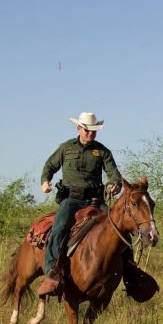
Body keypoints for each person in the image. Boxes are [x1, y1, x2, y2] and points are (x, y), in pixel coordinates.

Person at [36, 112, 123, 297]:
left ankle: (131, 273)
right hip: (72, 200)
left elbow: (113, 173)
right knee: (59, 228)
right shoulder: (66, 148)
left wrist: (116, 185)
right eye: (87, 130)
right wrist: (45, 181)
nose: (91, 134)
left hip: (96, 200)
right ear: (78, 128)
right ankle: (51, 273)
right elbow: (50, 166)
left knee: (118, 227)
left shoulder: (102, 151)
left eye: (94, 131)